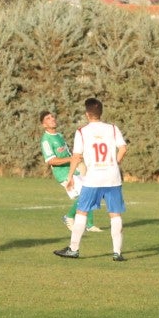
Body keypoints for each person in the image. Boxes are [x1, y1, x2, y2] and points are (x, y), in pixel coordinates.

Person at [54, 98, 128, 261]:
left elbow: (76, 156)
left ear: (87, 114)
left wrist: (70, 177)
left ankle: (73, 249)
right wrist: (115, 163)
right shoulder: (113, 129)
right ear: (101, 112)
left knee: (82, 212)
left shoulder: (82, 132)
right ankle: (117, 253)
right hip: (112, 178)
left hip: (93, 178)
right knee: (115, 214)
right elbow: (123, 148)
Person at [40, 110, 98, 233]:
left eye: (52, 117)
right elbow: (51, 160)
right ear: (44, 125)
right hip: (62, 173)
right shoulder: (46, 140)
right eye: (48, 119)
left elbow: (68, 154)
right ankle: (71, 217)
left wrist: (77, 160)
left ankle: (88, 224)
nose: (52, 119)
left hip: (72, 170)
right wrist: (71, 159)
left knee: (89, 192)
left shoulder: (59, 136)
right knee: (86, 193)